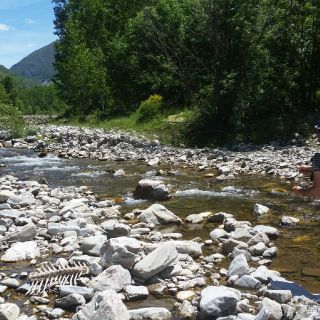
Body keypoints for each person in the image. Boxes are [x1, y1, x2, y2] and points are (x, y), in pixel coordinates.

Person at [293, 122, 320, 198]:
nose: (317, 135)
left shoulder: (318, 158)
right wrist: (311, 169)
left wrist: (299, 191)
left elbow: (318, 192)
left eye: (318, 131)